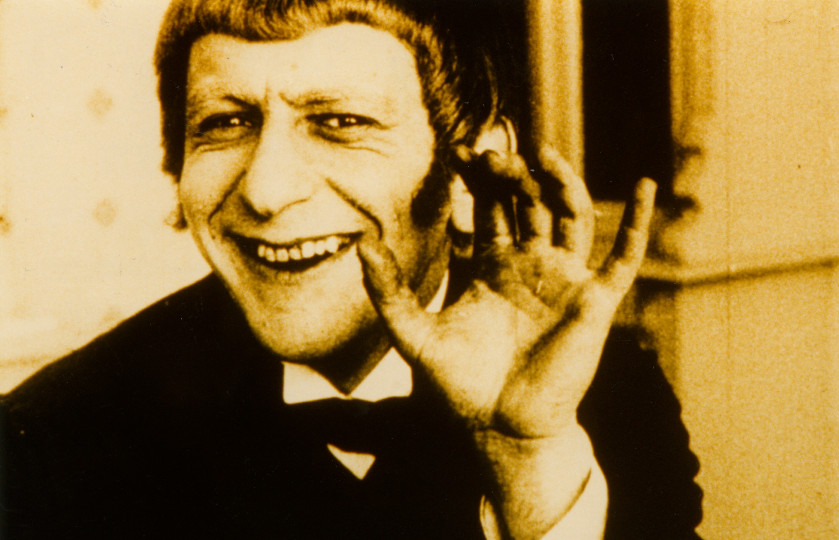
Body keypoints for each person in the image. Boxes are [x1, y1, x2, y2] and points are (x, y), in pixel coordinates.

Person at [0, 0, 702, 538]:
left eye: (341, 122)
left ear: (471, 174)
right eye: (225, 123)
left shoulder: (601, 394)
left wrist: (530, 461)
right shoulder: (50, 445)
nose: (266, 190)